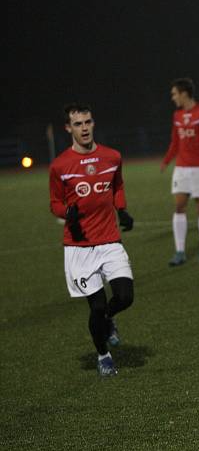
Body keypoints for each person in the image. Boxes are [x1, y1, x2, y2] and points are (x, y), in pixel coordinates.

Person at [49, 103, 135, 377]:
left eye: (87, 122)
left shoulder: (112, 157)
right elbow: (54, 202)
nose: (84, 128)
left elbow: (117, 186)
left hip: (110, 240)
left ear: (93, 123)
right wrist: (67, 212)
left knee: (124, 297)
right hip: (79, 248)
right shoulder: (60, 165)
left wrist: (122, 210)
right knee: (96, 307)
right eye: (78, 124)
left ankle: (109, 319)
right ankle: (103, 356)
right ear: (68, 128)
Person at [160, 78, 199, 265]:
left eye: (174, 94)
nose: (173, 98)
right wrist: (166, 161)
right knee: (179, 206)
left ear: (184, 93)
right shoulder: (177, 116)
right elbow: (175, 142)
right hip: (181, 168)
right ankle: (179, 252)